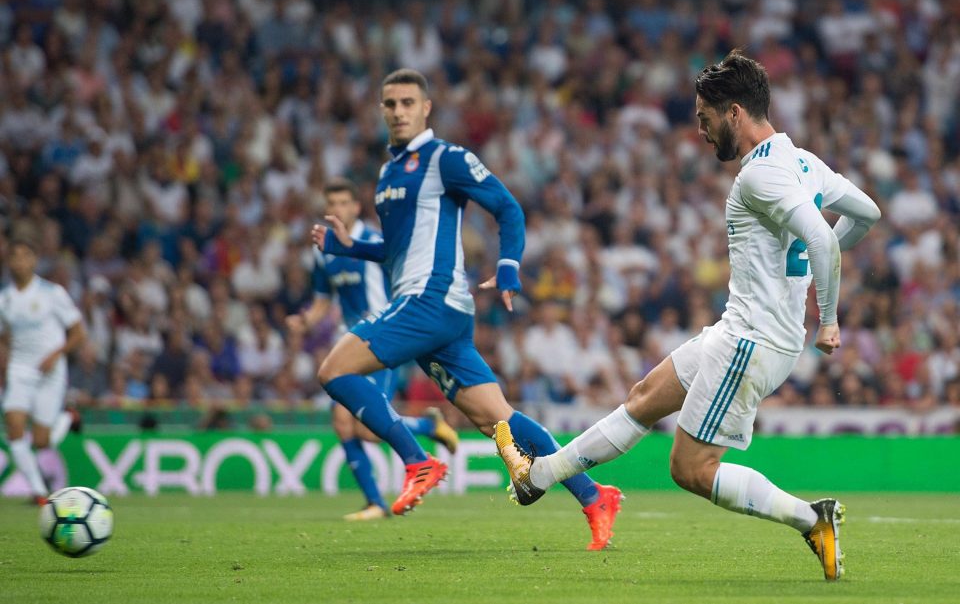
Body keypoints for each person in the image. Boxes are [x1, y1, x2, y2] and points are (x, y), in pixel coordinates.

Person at [494, 51, 882, 578]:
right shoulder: (804, 161)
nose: (701, 131)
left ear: (735, 113)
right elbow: (866, 215)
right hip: (739, 329)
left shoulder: (759, 176)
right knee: (645, 398)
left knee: (691, 469)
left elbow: (820, 239)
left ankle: (811, 517)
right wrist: (813, 271)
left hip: (754, 341)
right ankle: (538, 477)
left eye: (705, 118)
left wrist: (829, 317)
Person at [313, 68, 623, 550]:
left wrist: (507, 265)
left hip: (431, 300)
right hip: (429, 309)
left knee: (334, 370)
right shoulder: (388, 172)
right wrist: (350, 247)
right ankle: (594, 496)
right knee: (496, 419)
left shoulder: (444, 159)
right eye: (390, 104)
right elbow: (396, 251)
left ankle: (418, 460)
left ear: (425, 108)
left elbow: (507, 207)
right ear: (382, 110)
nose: (398, 112)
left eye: (407, 103)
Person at [286, 177, 460, 521]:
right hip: (349, 341)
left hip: (381, 338)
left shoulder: (372, 242)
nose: (336, 209)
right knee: (342, 423)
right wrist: (306, 321)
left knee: (365, 429)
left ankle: (427, 429)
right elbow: (323, 300)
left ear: (356, 207)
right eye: (331, 204)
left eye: (342, 203)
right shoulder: (324, 249)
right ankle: (375, 502)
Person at [1, 232, 87, 505]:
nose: (20, 262)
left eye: (26, 256)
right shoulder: (4, 299)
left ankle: (68, 417)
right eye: (15, 256)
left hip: (50, 371)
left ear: (35, 261)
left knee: (41, 441)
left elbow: (78, 333)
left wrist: (56, 354)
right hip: (20, 369)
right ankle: (39, 492)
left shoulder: (53, 293)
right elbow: (4, 338)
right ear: (8, 261)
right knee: (14, 428)